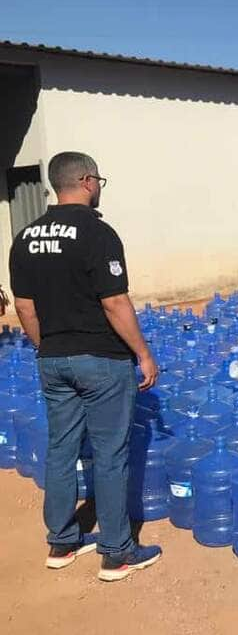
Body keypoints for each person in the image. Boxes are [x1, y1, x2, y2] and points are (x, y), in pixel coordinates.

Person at [9, 151, 161, 581]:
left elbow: (24, 306)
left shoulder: (26, 238)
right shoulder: (98, 233)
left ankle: (61, 541)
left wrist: (49, 347)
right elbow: (114, 301)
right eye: (99, 182)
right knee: (110, 453)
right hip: (101, 359)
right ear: (87, 180)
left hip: (53, 358)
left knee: (62, 447)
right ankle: (117, 551)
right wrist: (143, 354)